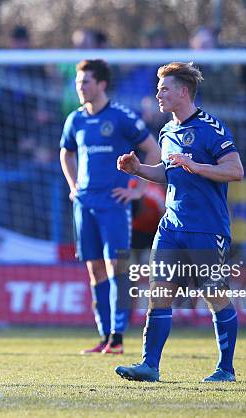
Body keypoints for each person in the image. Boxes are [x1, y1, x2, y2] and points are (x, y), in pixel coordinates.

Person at [115, 62, 244, 382]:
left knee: (215, 295)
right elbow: (167, 172)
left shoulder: (211, 129)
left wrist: (197, 166)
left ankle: (225, 369)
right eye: (158, 88)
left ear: (183, 92)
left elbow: (235, 171)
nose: (158, 93)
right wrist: (138, 170)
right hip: (171, 227)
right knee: (158, 293)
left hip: (207, 228)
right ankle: (149, 365)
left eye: (164, 88)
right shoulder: (167, 131)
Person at [60, 59, 161, 355]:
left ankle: (117, 336)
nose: (80, 87)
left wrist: (138, 189)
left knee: (117, 267)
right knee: (94, 271)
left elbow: (153, 149)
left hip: (114, 203)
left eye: (85, 82)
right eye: (78, 82)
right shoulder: (75, 119)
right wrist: (73, 186)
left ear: (101, 84)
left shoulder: (120, 117)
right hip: (85, 204)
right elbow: (65, 153)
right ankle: (105, 336)